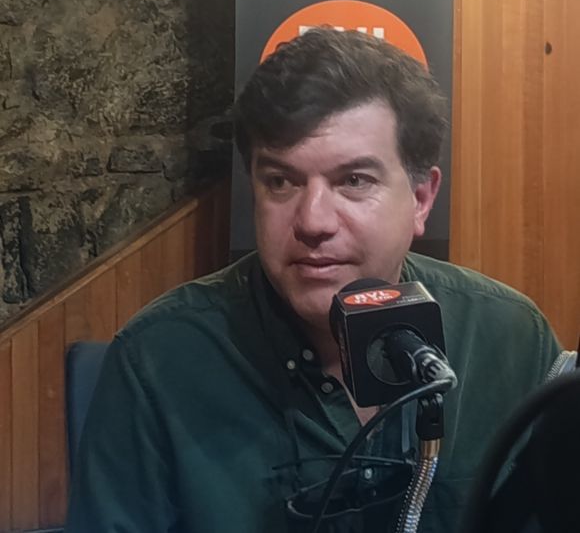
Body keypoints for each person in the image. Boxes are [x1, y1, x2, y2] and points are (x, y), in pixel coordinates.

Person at [65, 28, 561, 533]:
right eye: (281, 182)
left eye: (354, 181)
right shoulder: (157, 360)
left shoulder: (511, 340)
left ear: (421, 199)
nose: (313, 221)